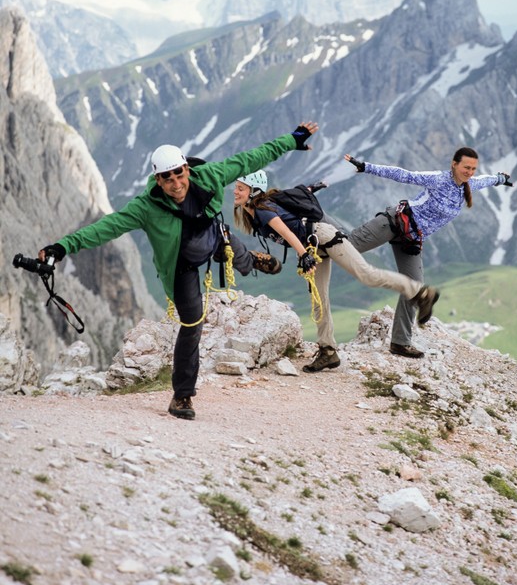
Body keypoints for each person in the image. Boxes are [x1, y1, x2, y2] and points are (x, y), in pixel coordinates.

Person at [37, 121, 319, 421]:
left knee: (235, 254)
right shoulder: (145, 208)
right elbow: (105, 228)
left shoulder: (210, 176)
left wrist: (292, 140)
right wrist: (62, 247)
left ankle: (250, 259)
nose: (175, 183)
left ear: (186, 169)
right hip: (180, 265)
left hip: (214, 238)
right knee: (193, 323)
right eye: (166, 177)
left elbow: (251, 158)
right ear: (158, 180)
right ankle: (182, 396)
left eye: (178, 173)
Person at [232, 164, 439, 373]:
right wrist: (305, 254)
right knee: (318, 297)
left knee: (367, 275)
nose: (235, 191)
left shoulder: (262, 210)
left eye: (241, 188)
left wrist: (304, 256)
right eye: (237, 187)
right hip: (313, 247)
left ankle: (420, 292)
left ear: (254, 191)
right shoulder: (254, 213)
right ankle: (328, 351)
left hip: (324, 237)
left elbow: (287, 233)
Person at [344, 148, 513, 359]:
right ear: (454, 164)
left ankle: (400, 343)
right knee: (344, 247)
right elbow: (405, 175)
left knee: (416, 289)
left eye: (473, 168)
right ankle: (313, 231)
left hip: (410, 241)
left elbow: (486, 180)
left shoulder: (468, 185)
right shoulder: (439, 179)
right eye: (466, 167)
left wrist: (500, 178)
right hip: (394, 223)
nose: (470, 172)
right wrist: (366, 167)